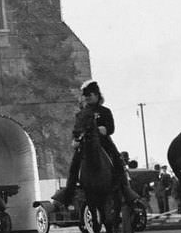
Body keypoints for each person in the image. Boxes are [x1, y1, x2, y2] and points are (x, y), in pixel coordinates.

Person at [55, 81, 141, 210]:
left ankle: (126, 190)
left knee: (118, 162)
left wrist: (104, 129)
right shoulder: (81, 114)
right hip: (84, 144)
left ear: (96, 95)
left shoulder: (105, 111)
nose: (87, 97)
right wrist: (75, 140)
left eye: (90, 95)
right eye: (86, 95)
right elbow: (76, 130)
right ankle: (68, 193)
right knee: (74, 166)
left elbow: (111, 128)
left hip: (104, 143)